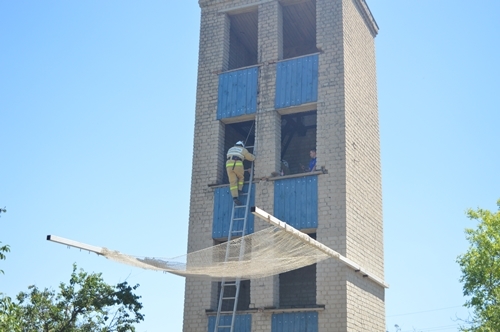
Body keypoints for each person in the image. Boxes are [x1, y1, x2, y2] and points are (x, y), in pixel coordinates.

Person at [226, 141, 255, 205]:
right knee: (240, 177)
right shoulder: (243, 149)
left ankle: (235, 197)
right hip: (237, 164)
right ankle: (239, 190)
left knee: (232, 182)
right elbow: (250, 158)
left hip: (228, 165)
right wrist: (254, 157)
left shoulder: (230, 149)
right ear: (241, 145)